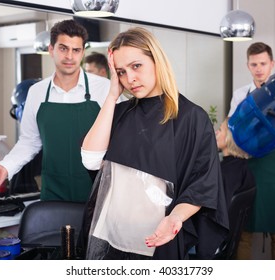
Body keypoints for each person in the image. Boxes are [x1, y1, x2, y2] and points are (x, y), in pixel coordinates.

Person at [79, 27, 229, 260]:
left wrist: (176, 217)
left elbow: (202, 185)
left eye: (136, 66)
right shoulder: (118, 112)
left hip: (159, 238)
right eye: (121, 72)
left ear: (156, 60)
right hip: (110, 240)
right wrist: (111, 96)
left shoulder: (191, 118)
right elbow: (90, 160)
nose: (130, 79)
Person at [0, 19, 116, 203]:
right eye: (63, 48)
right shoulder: (36, 92)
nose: (69, 56)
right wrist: (5, 167)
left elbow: (122, 141)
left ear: (83, 52)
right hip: (53, 192)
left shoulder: (105, 89)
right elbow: (29, 142)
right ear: (51, 49)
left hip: (97, 194)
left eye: (76, 50)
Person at [228, 42, 275, 260]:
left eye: (263, 63)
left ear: (272, 64)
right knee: (244, 230)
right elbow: (232, 128)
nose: (259, 68)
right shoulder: (240, 95)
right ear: (248, 65)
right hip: (249, 166)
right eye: (254, 64)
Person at [215, 118, 255, 209]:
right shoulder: (244, 166)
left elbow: (220, 211)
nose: (216, 132)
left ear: (229, 138)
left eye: (220, 130)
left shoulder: (225, 172)